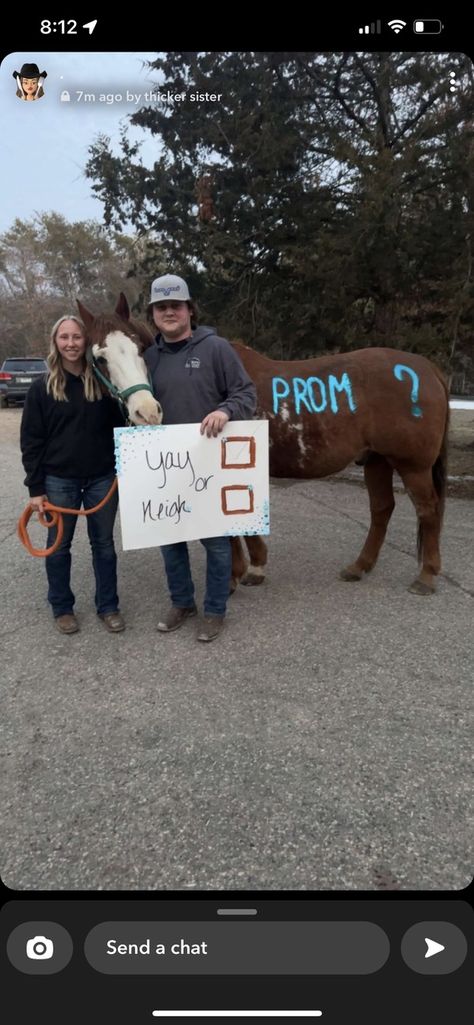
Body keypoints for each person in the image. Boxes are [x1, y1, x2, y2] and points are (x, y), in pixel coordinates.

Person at [144, 273, 257, 642]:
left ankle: (214, 610)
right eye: (161, 307)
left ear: (190, 309)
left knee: (216, 542)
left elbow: (245, 394)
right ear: (154, 315)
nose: (169, 312)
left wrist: (225, 411)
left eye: (175, 305)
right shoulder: (149, 359)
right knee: (170, 541)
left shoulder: (217, 348)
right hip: (165, 468)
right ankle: (182, 602)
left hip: (209, 465)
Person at [20, 316, 126, 634]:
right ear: (55, 342)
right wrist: (36, 489)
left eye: (77, 337)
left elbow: (121, 429)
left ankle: (108, 606)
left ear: (86, 342)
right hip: (58, 481)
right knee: (59, 546)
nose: (71, 343)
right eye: (64, 337)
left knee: (104, 545)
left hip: (102, 479)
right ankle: (62, 608)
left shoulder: (105, 386)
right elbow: (31, 442)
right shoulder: (41, 388)